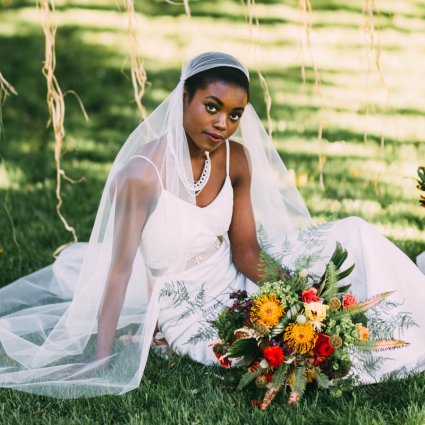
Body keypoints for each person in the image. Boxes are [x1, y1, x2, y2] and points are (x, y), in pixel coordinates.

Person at [0, 52, 424, 398]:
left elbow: (245, 251)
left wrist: (298, 292)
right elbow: (120, 270)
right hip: (188, 304)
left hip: (234, 271)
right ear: (184, 98)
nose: (223, 124)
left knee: (352, 233)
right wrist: (101, 357)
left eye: (236, 114)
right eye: (212, 107)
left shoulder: (235, 159)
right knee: (283, 352)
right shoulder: (142, 176)